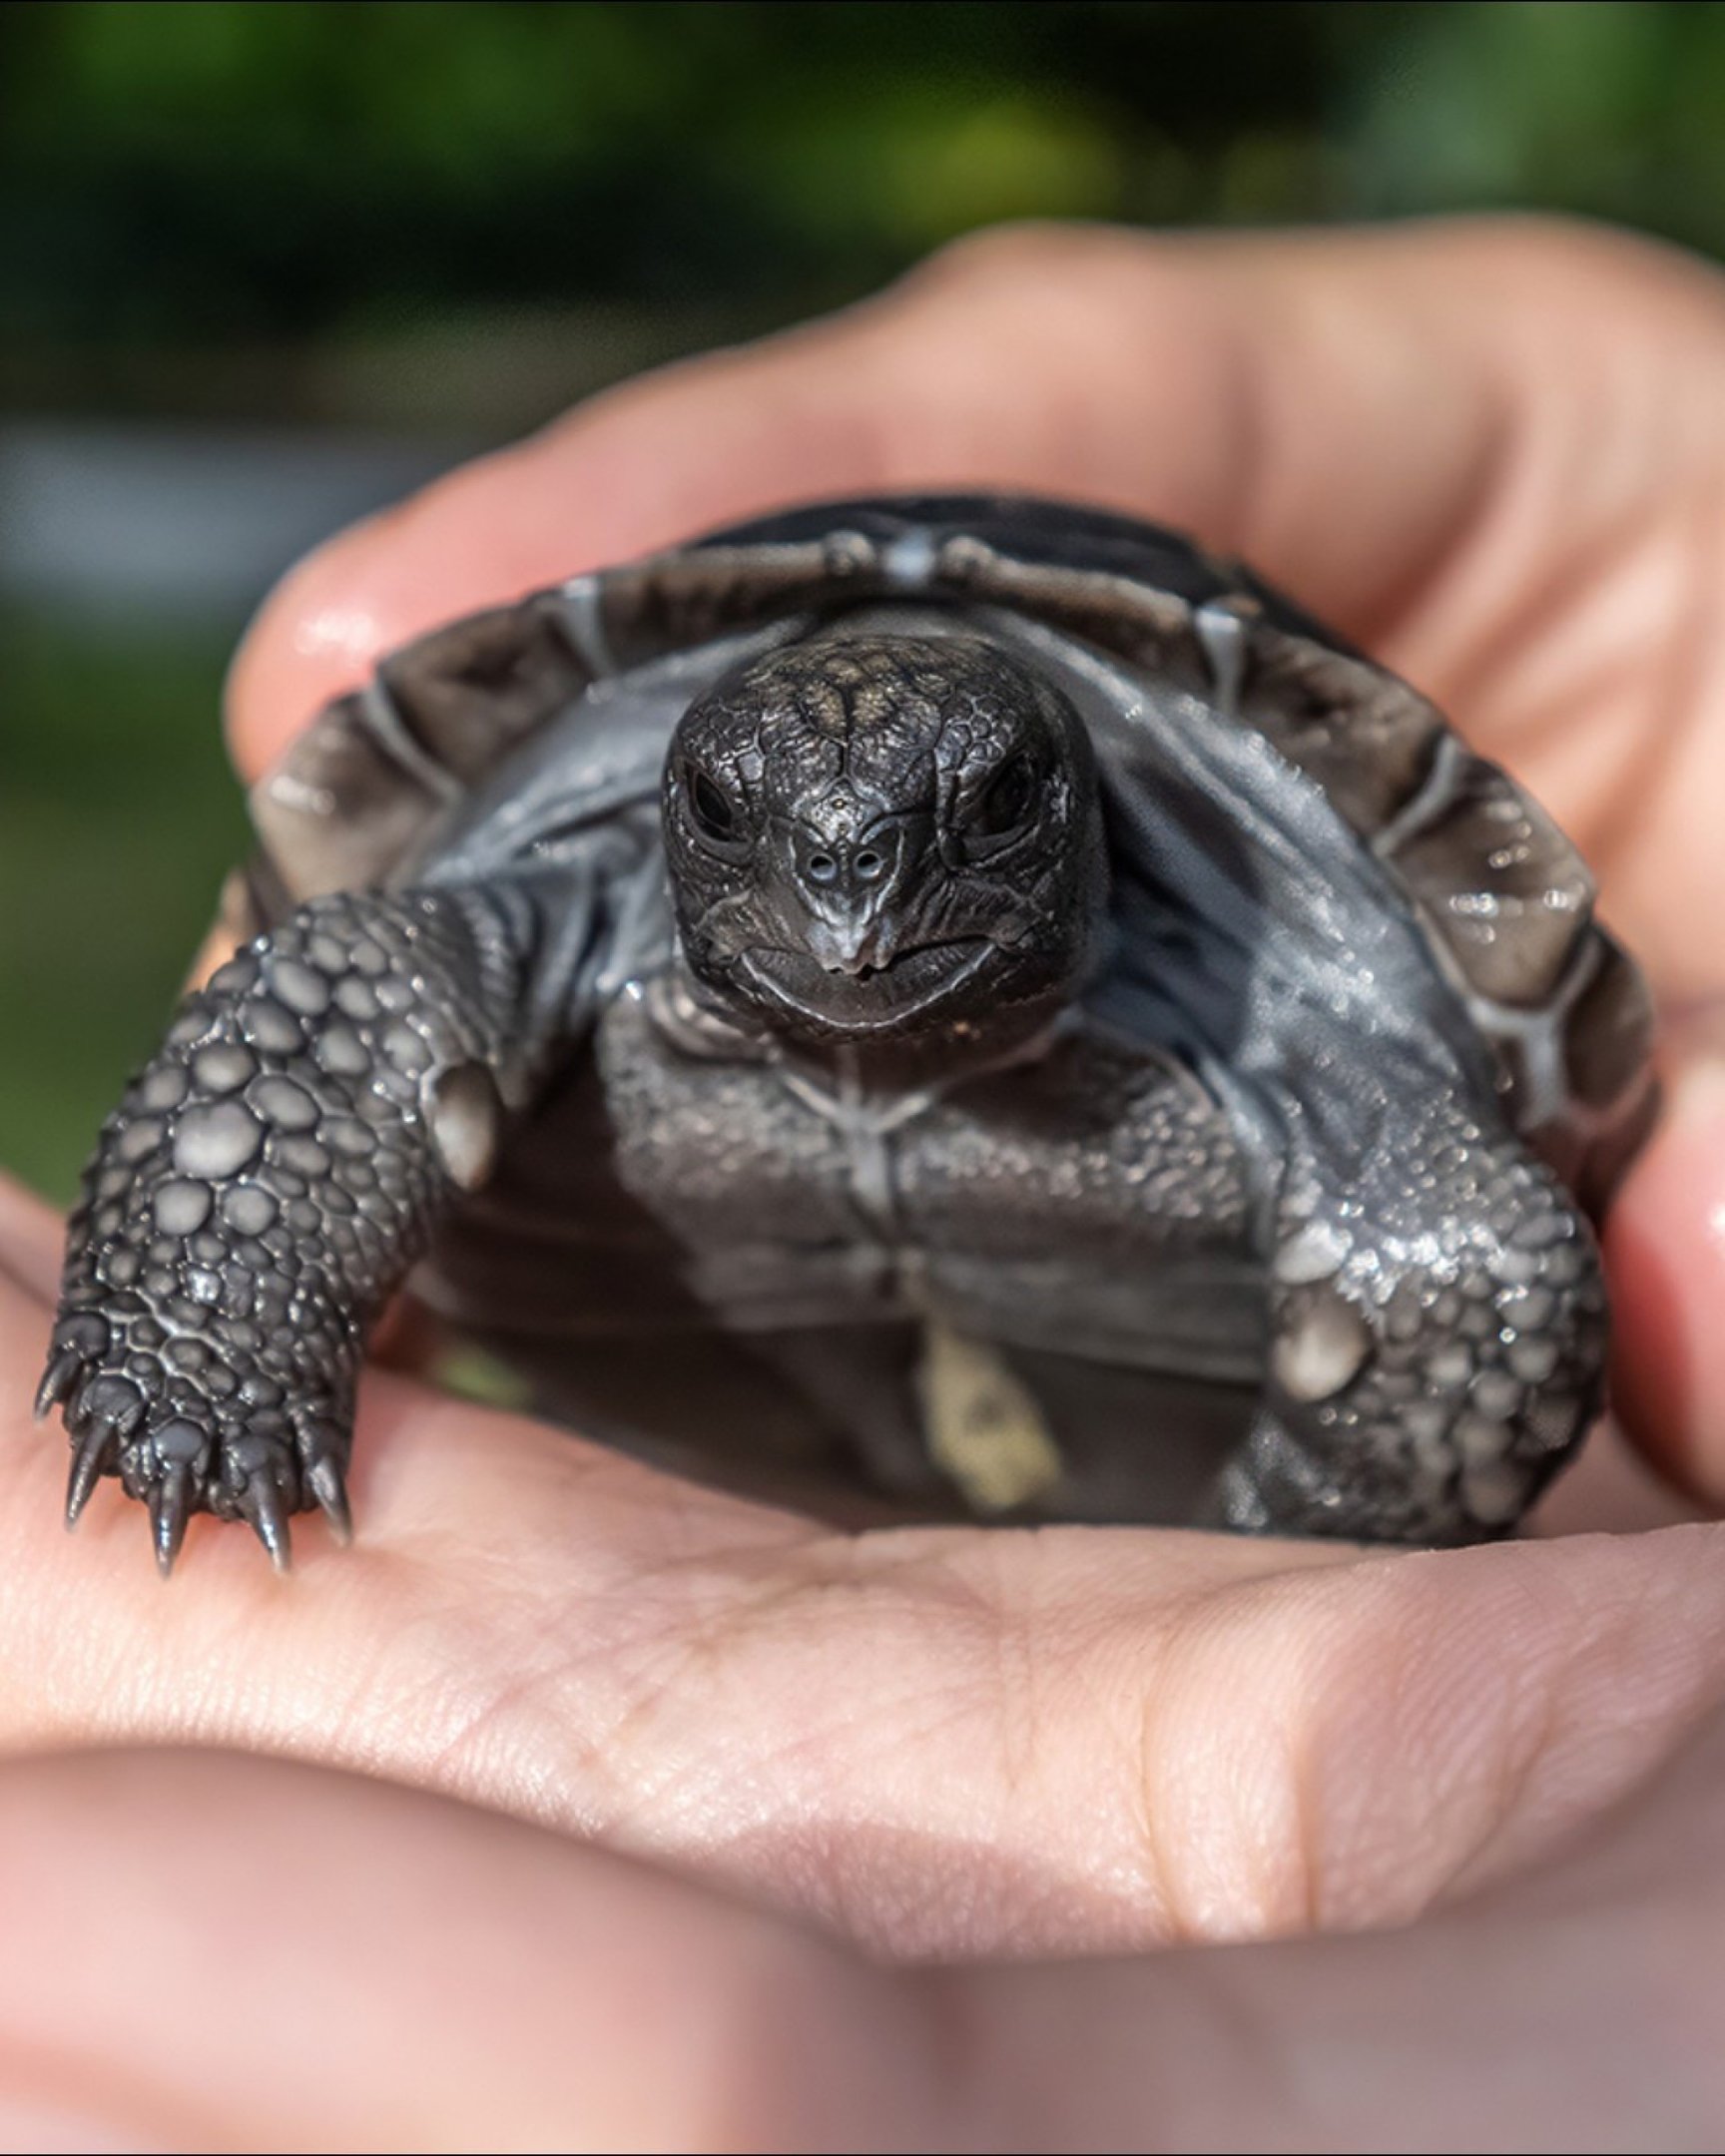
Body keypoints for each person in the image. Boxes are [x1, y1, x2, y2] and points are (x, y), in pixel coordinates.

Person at [2, 216, 1724, 2150]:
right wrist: (202, 1334)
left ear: (1068, 806)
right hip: (677, 1376)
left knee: (1478, 1264)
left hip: (1188, 1445)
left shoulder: (1277, 906)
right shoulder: (536, 876)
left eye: (976, 821)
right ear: (676, 799)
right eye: (741, 828)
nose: (846, 899)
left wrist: (1329, 1542)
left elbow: (1484, 1253)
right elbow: (331, 996)